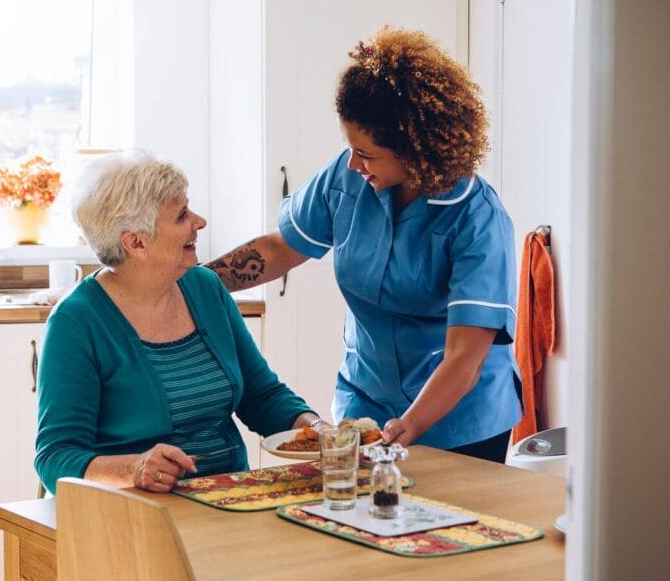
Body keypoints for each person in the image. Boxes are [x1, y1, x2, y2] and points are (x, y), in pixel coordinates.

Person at [207, 26, 521, 462]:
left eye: (368, 154)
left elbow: (465, 356)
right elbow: (280, 248)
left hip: (458, 420)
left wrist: (409, 425)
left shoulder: (478, 218)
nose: (354, 163)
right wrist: (195, 284)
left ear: (416, 148)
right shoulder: (347, 175)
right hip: (366, 404)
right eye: (349, 147)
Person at [35, 151, 319, 494]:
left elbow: (261, 396)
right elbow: (55, 458)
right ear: (136, 242)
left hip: (228, 498)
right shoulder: (76, 322)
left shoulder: (205, 287)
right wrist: (135, 468)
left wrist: (316, 429)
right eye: (182, 215)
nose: (199, 222)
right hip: (133, 513)